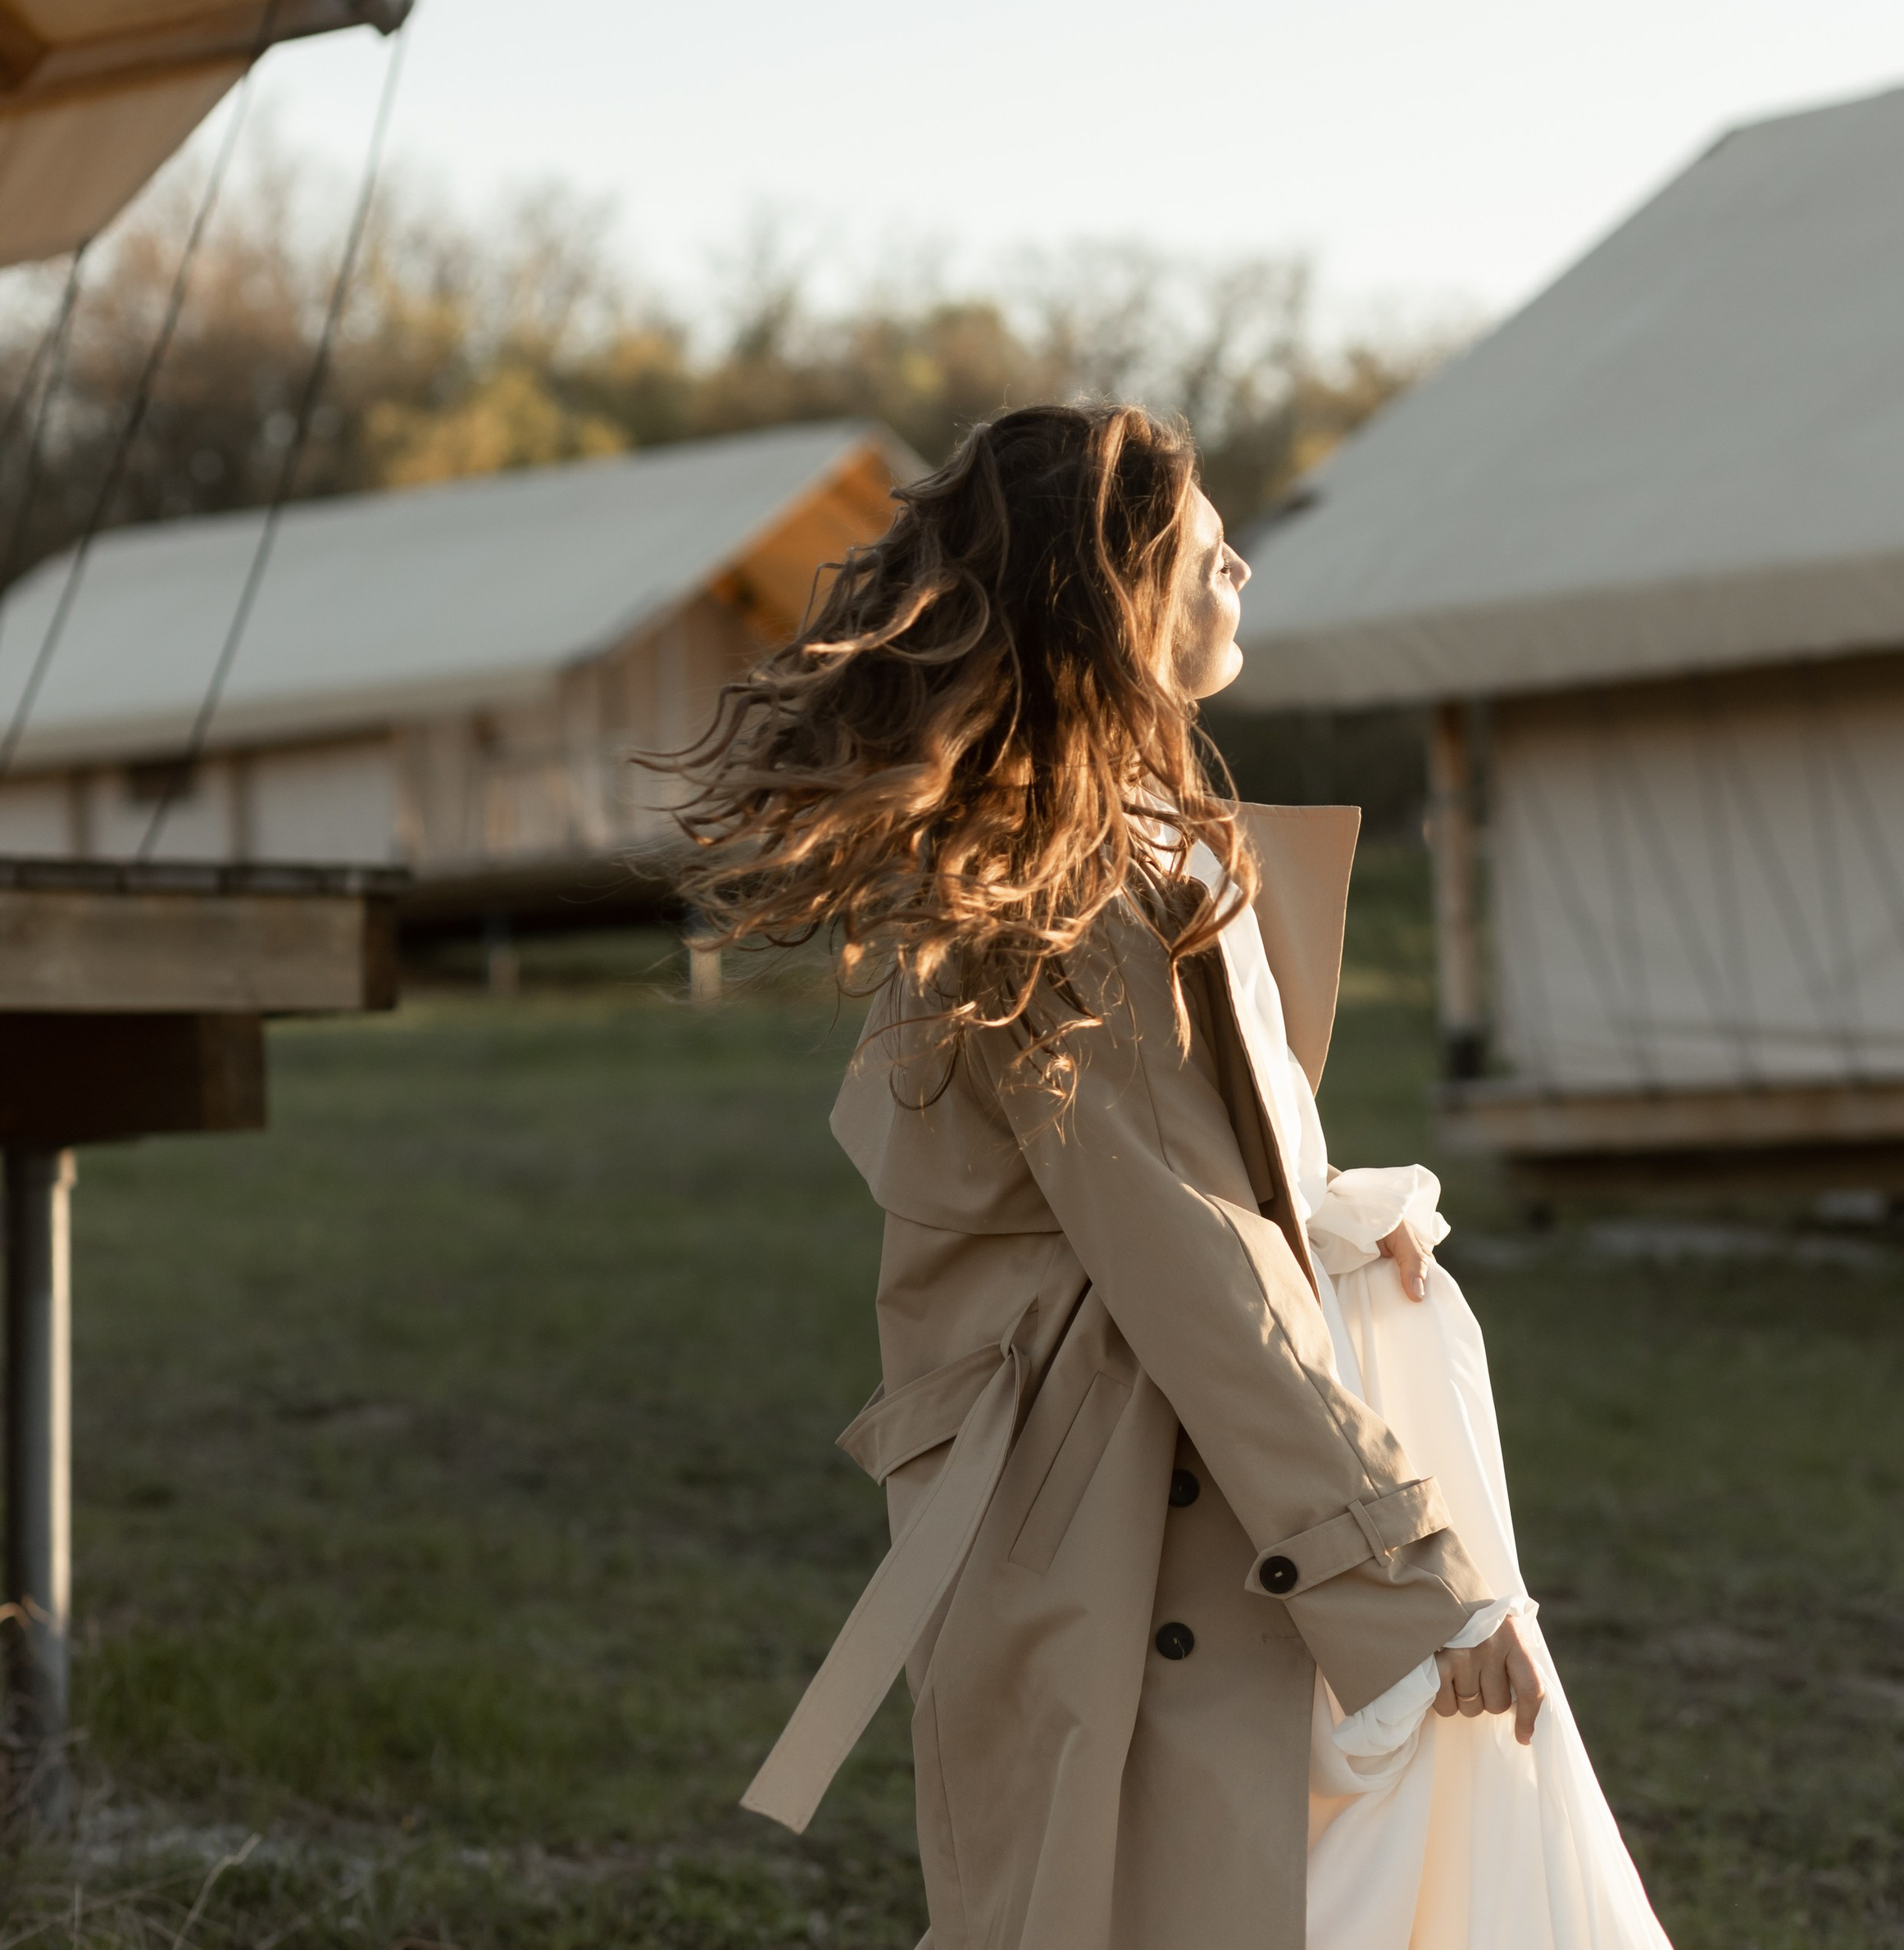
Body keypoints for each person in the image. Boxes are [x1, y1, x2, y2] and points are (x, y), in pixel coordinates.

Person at [681, 404, 1670, 1950]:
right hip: (1137, 1506)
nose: (1246, 572)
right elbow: (1185, 1249)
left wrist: (1336, 1222)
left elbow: (1183, 1183)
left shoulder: (1130, 841)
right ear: (1119, 596)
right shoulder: (1073, 884)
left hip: (1188, 1472)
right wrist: (1401, 1575)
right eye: (1213, 551)